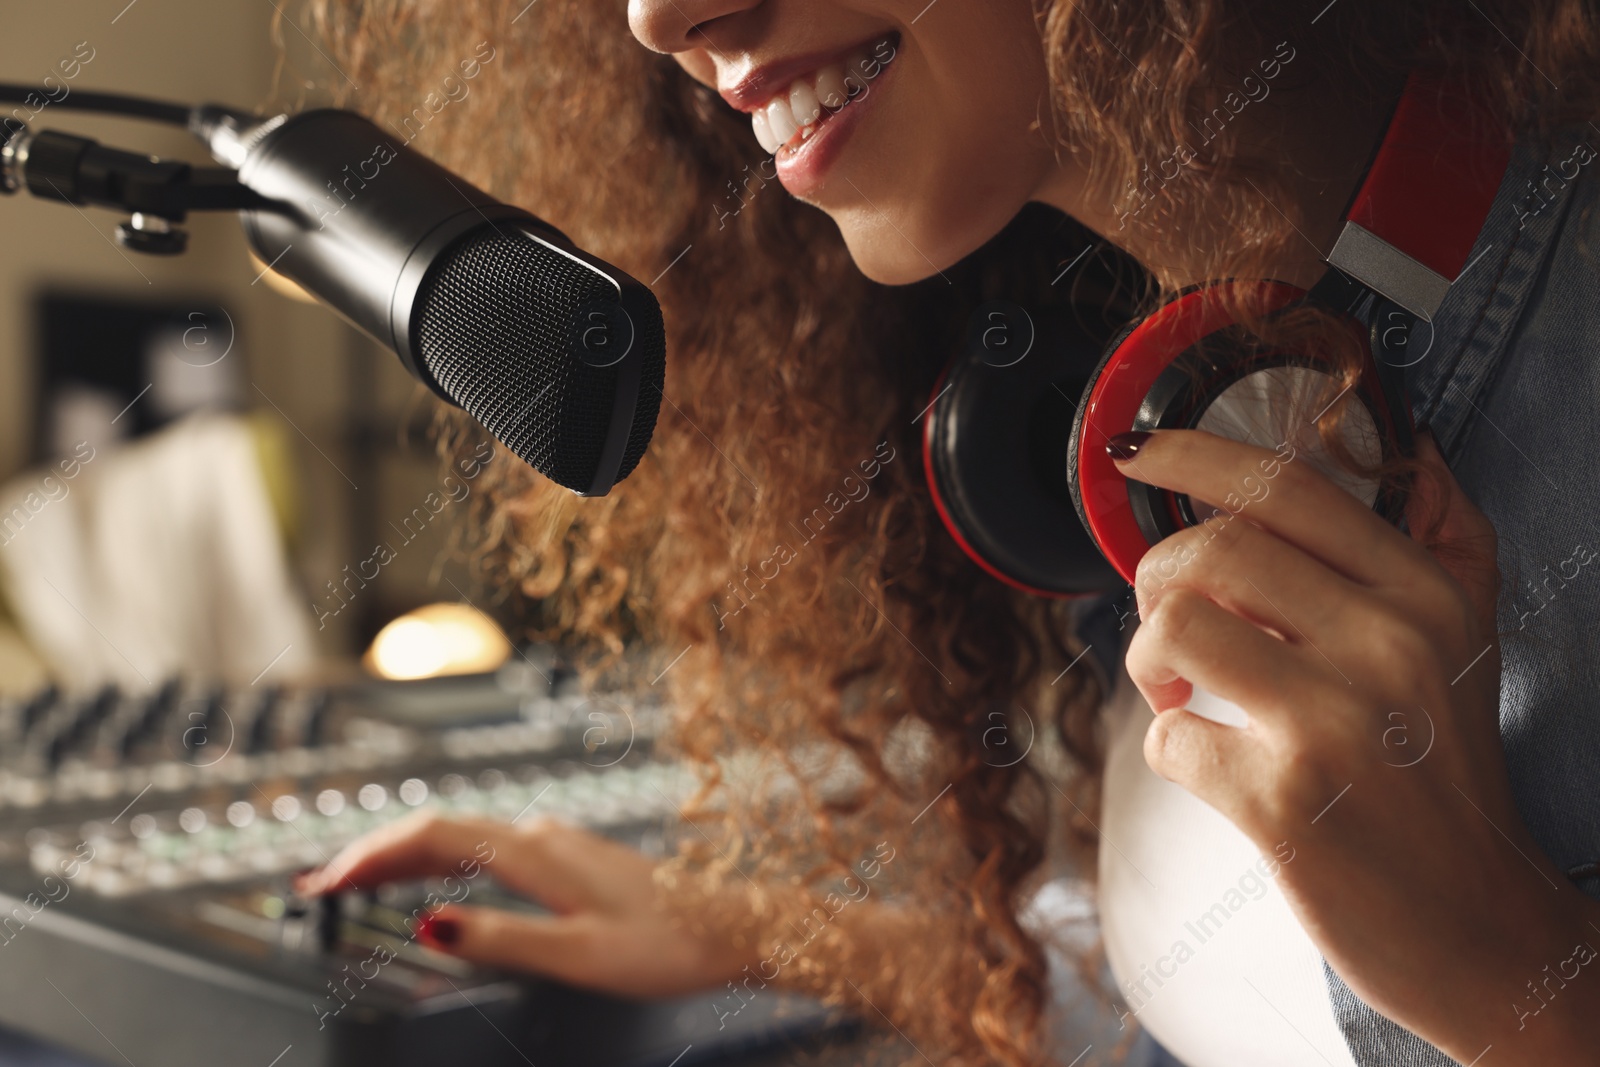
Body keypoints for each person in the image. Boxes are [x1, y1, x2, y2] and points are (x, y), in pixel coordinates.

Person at [293, 1, 1600, 1063]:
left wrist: (1515, 991)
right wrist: (771, 935)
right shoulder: (1155, 361)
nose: (660, 19)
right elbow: (1261, 1010)